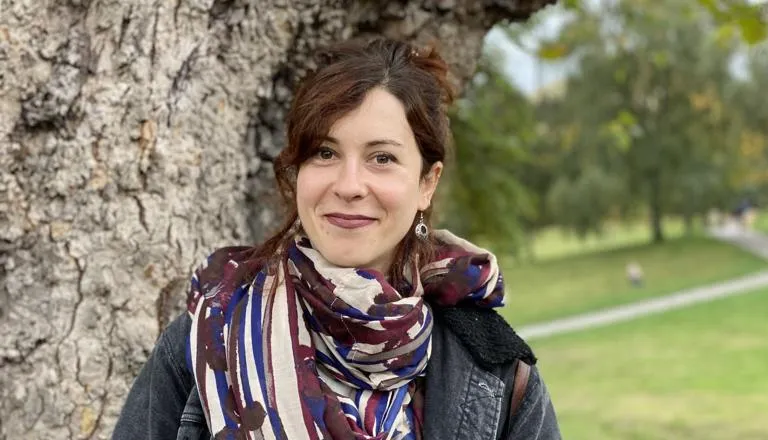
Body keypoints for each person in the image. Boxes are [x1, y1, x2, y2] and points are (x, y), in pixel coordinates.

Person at [113, 37, 561, 440]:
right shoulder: (208, 332)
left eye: (381, 157)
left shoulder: (496, 372)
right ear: (297, 172)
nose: (349, 185)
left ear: (427, 182)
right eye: (325, 153)